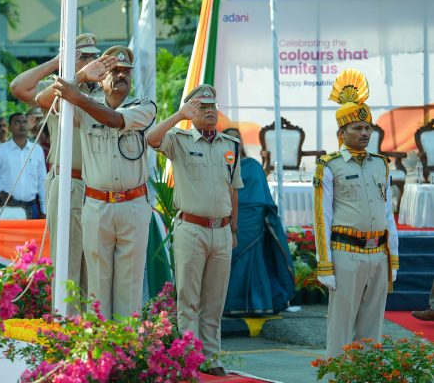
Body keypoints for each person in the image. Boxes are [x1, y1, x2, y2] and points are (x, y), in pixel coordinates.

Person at [39, 45, 155, 319]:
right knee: (97, 286)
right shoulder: (83, 105)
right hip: (96, 205)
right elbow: (44, 100)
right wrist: (80, 76)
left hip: (133, 205)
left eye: (126, 72)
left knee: (130, 285)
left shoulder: (144, 106)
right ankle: (100, 356)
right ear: (100, 78)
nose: (121, 76)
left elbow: (115, 120)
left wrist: (77, 97)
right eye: (114, 71)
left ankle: (125, 353)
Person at [146, 83, 242, 377]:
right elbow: (151, 138)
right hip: (191, 228)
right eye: (202, 107)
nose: (210, 112)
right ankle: (189, 356)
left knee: (214, 300)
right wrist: (178, 115)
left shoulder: (230, 145)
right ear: (191, 111)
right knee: (189, 298)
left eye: (212, 106)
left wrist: (234, 229)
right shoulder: (179, 139)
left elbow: (234, 191)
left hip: (222, 230)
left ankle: (211, 357)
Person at [313, 69, 399, 359]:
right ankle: (337, 375)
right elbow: (321, 217)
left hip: (378, 253)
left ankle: (365, 375)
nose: (364, 133)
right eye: (357, 128)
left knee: (372, 326)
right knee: (341, 323)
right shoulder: (330, 165)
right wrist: (324, 265)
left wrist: (393, 257)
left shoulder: (381, 164)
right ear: (341, 133)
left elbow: (388, 214)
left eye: (367, 127)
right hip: (345, 252)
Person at [15, 32, 101, 312]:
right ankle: (66, 332)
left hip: (100, 189)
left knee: (96, 267)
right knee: (67, 263)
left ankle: (93, 336)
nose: (91, 61)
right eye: (83, 57)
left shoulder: (105, 93)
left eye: (93, 56)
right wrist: (57, 62)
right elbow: (20, 88)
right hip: (69, 183)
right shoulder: (58, 90)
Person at [222, 128, 295, 316]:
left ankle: (256, 304)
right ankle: (227, 305)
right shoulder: (216, 166)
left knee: (249, 257)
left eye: (237, 138)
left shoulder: (252, 165)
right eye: (228, 138)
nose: (233, 141)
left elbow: (263, 197)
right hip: (224, 218)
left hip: (251, 219)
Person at [0, 113, 47, 219]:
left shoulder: (37, 150)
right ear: (10, 128)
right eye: (17, 122)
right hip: (5, 209)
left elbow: (43, 182)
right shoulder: (0, 150)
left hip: (31, 208)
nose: (22, 125)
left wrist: (44, 209)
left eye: (24, 122)